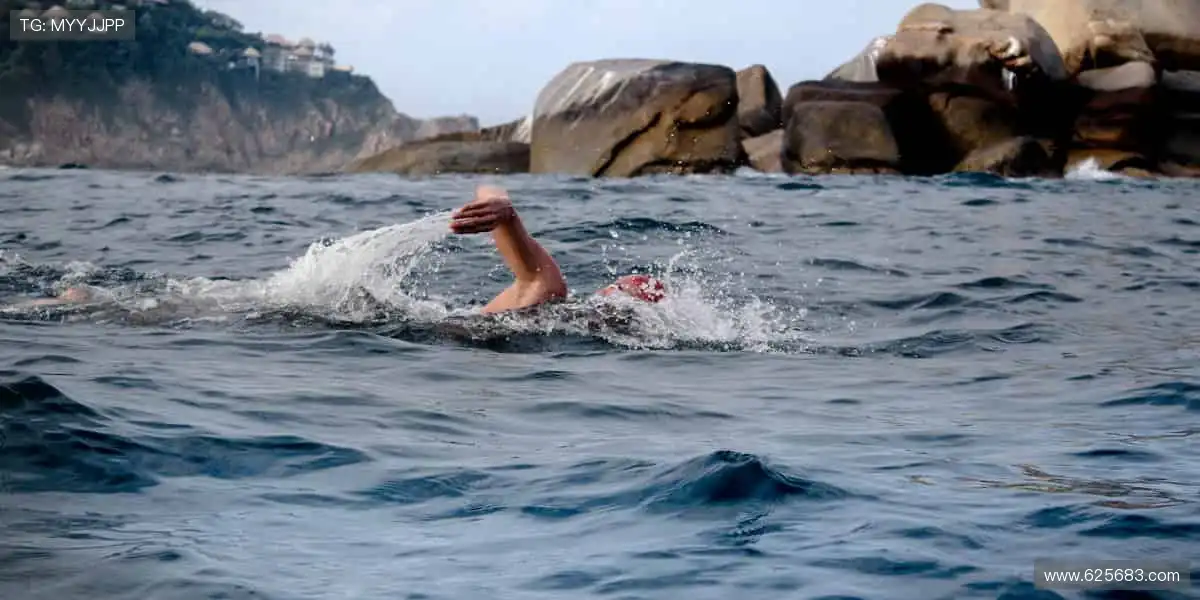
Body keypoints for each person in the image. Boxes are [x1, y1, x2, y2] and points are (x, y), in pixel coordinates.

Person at [450, 184, 667, 314]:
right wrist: (497, 205)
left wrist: (502, 209)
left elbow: (492, 191)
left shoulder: (551, 295)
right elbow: (490, 190)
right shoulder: (555, 303)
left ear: (605, 292)